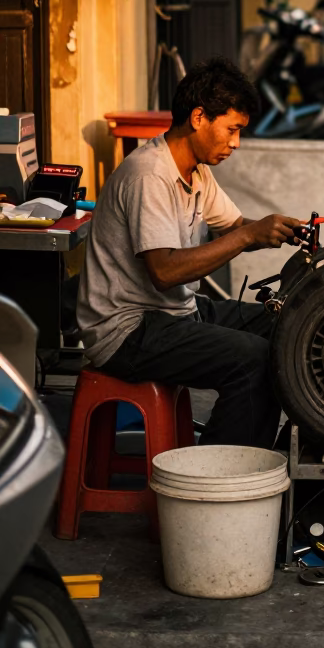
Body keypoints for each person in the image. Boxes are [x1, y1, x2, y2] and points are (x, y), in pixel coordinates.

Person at [77, 57, 303, 449]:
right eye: (232, 129)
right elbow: (164, 272)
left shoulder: (195, 171)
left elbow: (235, 225)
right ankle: (221, 475)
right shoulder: (150, 175)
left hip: (173, 311)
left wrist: (279, 230)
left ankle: (283, 453)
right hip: (126, 329)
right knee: (252, 359)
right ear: (199, 117)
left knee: (291, 323)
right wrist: (249, 234)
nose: (235, 143)